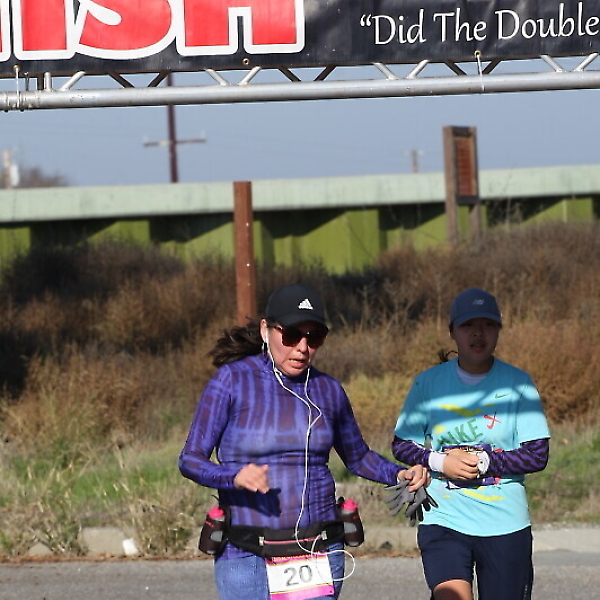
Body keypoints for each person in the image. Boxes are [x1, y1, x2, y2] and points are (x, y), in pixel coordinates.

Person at [179, 283, 429, 600]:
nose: (302, 347)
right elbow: (190, 460)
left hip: (318, 548)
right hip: (246, 552)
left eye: (314, 338)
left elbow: (358, 457)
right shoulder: (232, 380)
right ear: (266, 330)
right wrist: (234, 476)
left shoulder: (328, 390)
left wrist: (399, 474)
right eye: (291, 335)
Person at [391, 288, 550, 600]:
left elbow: (537, 455)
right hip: (444, 517)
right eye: (468, 325)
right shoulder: (428, 383)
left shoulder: (519, 383)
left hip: (505, 524)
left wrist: (485, 463)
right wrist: (440, 462)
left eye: (488, 325)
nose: (479, 333)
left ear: (499, 330)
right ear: (452, 331)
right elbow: (402, 444)